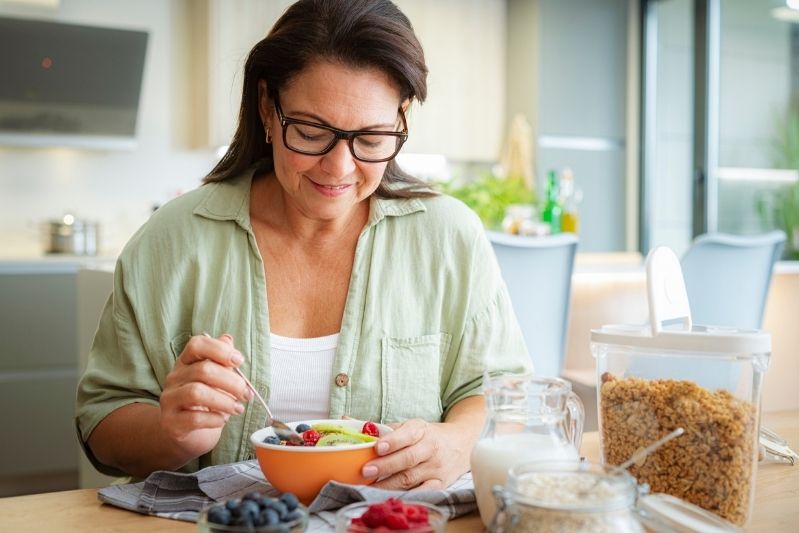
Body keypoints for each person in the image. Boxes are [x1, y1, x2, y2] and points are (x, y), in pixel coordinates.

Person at [76, 0, 530, 491]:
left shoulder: (448, 237)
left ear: (401, 119)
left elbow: (507, 397)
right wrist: (171, 432)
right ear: (268, 108)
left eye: (372, 139)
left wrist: (459, 441)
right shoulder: (170, 241)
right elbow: (102, 425)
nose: (338, 168)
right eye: (311, 133)